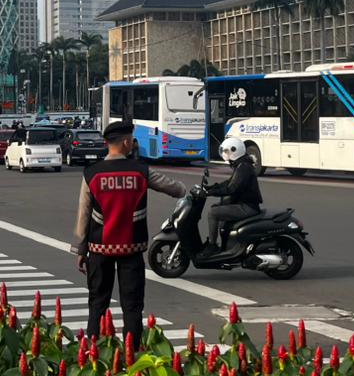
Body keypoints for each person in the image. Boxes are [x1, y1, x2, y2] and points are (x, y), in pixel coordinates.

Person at [71, 121, 186, 345]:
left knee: (97, 303)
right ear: (125, 143)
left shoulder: (91, 173)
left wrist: (80, 250)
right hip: (131, 250)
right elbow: (174, 188)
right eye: (132, 139)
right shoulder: (140, 171)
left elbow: (83, 214)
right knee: (132, 305)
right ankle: (131, 353)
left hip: (99, 250)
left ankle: (93, 349)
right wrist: (184, 190)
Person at [204, 137, 263, 252]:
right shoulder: (241, 165)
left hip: (248, 207)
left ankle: (212, 246)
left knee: (213, 213)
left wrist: (209, 192)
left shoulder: (243, 167)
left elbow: (231, 189)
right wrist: (210, 188)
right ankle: (226, 246)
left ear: (234, 151)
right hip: (245, 204)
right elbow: (229, 183)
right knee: (217, 208)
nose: (225, 154)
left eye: (226, 152)